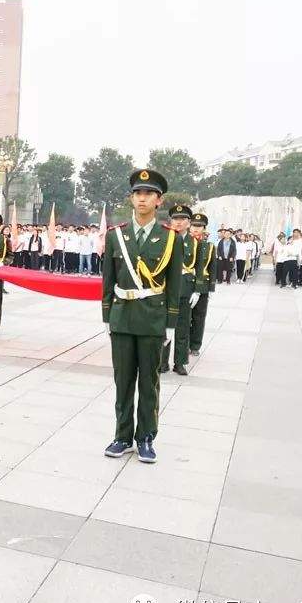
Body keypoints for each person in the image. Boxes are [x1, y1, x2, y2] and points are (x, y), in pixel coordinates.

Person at [103, 169, 183, 464]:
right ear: (131, 198)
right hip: (123, 318)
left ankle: (146, 437)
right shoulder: (116, 236)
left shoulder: (170, 238)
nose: (142, 198)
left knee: (148, 382)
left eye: (148, 193)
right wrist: (107, 317)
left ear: (159, 201)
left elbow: (174, 284)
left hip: (152, 319)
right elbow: (107, 280)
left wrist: (171, 323)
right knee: (123, 381)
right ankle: (122, 436)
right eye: (138, 193)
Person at [159, 204, 205, 376]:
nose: (178, 222)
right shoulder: (165, 239)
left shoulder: (196, 243)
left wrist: (198, 290)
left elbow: (200, 267)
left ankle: (180, 362)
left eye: (182, 219)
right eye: (175, 219)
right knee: (164, 326)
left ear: (188, 222)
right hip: (166, 288)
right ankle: (162, 362)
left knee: (183, 327)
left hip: (186, 288)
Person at [188, 213, 215, 356]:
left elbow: (212, 268)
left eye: (199, 226)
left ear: (204, 228)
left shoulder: (209, 246)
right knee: (185, 318)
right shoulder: (183, 242)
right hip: (186, 284)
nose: (196, 229)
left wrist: (211, 288)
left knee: (199, 317)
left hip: (203, 285)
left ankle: (195, 345)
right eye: (193, 225)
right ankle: (185, 344)